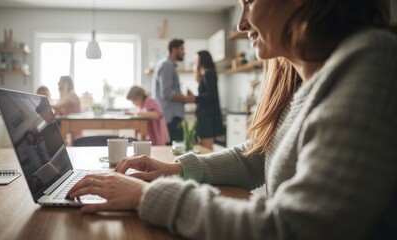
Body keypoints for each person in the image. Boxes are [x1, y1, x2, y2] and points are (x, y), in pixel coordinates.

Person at [67, 0, 397, 239]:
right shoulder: (312, 82)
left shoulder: (371, 63)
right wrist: (176, 169)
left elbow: (294, 229)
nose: (241, 24)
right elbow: (257, 155)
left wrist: (146, 196)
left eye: (248, 2)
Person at [151, 39, 191, 144]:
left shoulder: (167, 65)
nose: (184, 52)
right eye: (182, 49)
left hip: (170, 115)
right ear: (174, 50)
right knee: (174, 151)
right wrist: (185, 99)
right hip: (171, 116)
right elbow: (166, 92)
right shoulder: (167, 65)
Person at [186, 50, 224, 150]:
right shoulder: (208, 74)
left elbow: (212, 96)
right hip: (206, 116)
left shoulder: (208, 73)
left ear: (202, 60)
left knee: (206, 148)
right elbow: (208, 95)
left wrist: (195, 98)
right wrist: (195, 97)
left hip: (207, 116)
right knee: (206, 147)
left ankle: (209, 166)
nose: (195, 62)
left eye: (196, 59)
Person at [51, 75, 82, 140]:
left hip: (74, 125)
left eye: (60, 82)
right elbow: (59, 112)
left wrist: (45, 103)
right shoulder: (66, 96)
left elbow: (58, 106)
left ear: (66, 84)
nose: (58, 83)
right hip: (69, 125)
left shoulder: (71, 94)